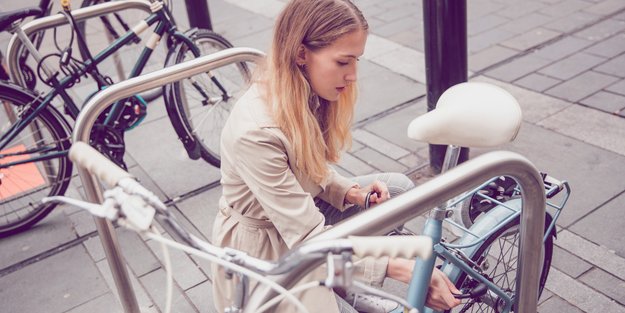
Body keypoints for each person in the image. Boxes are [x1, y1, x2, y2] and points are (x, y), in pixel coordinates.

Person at [211, 0, 462, 312]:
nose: (353, 75)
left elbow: (304, 170)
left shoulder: (300, 89)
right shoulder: (257, 132)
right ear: (301, 53)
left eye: (356, 60)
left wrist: (352, 193)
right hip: (268, 248)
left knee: (397, 189)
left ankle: (345, 278)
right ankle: (343, 282)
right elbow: (309, 240)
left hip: (298, 218)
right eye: (344, 62)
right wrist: (406, 268)